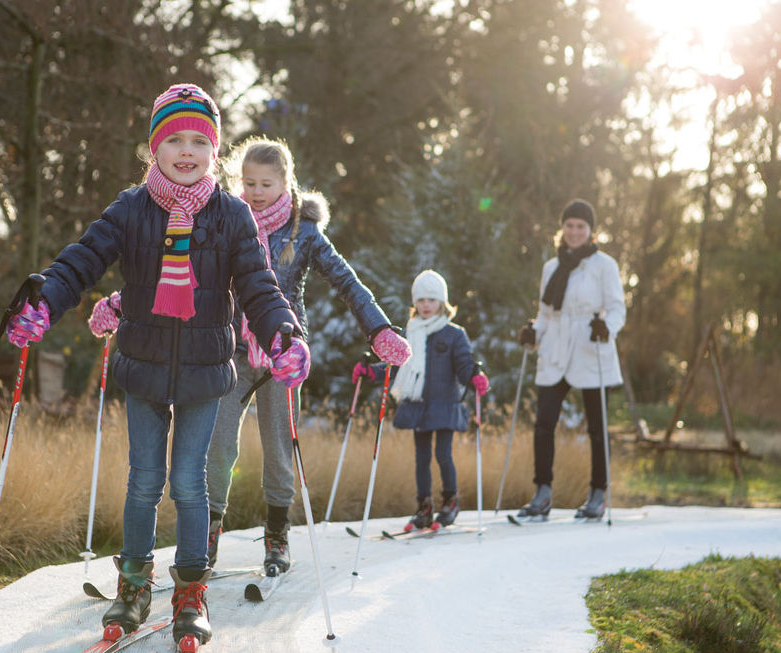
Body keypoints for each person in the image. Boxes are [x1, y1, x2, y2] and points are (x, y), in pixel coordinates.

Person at [6, 83, 307, 644]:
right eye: (175, 140)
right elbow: (83, 259)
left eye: (199, 140)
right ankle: (135, 584)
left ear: (214, 150)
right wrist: (46, 298)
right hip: (142, 366)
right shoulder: (130, 209)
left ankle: (192, 589)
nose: (187, 151)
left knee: (190, 482)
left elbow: (260, 288)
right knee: (143, 481)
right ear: (154, 148)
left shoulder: (233, 215)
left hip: (204, 370)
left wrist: (283, 332)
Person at [201, 136, 410, 573]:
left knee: (278, 448)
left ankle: (277, 535)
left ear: (285, 182)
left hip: (282, 354)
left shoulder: (304, 232)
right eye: (250, 182)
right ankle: (208, 532)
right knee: (218, 446)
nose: (257, 192)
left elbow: (348, 283)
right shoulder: (228, 220)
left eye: (267, 183)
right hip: (233, 351)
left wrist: (378, 329)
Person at [516, 198, 626, 520]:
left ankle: (597, 493)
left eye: (581, 226)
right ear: (561, 228)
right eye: (569, 225)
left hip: (591, 344)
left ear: (590, 231)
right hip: (556, 346)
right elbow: (545, 313)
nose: (574, 231)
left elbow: (617, 307)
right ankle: (542, 492)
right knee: (544, 423)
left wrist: (608, 327)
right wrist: (533, 332)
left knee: (597, 426)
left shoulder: (604, 265)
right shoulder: (551, 267)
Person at [352, 270, 488, 530]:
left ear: (442, 303)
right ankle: (423, 508)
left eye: (432, 300)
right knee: (421, 457)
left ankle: (451, 502)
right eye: (421, 300)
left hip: (445, 404)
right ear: (415, 303)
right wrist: (371, 372)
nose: (426, 305)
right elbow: (396, 366)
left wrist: (475, 377)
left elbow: (464, 366)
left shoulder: (453, 334)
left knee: (443, 454)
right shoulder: (409, 333)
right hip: (418, 405)